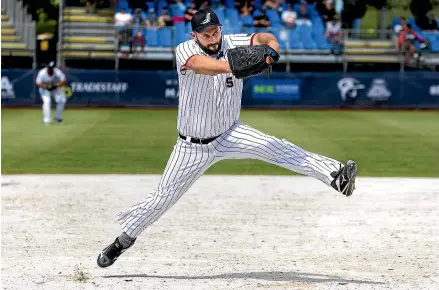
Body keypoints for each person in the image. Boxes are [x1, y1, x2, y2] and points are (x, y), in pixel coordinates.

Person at [96, 8, 358, 268]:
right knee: (162, 198)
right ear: (194, 35)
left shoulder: (233, 42)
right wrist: (238, 65)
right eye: (205, 34)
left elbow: (264, 38)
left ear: (221, 29)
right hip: (191, 146)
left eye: (215, 32)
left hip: (230, 133)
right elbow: (205, 67)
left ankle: (336, 176)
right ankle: (122, 241)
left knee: (277, 147)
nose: (212, 38)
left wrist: (272, 51)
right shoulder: (185, 50)